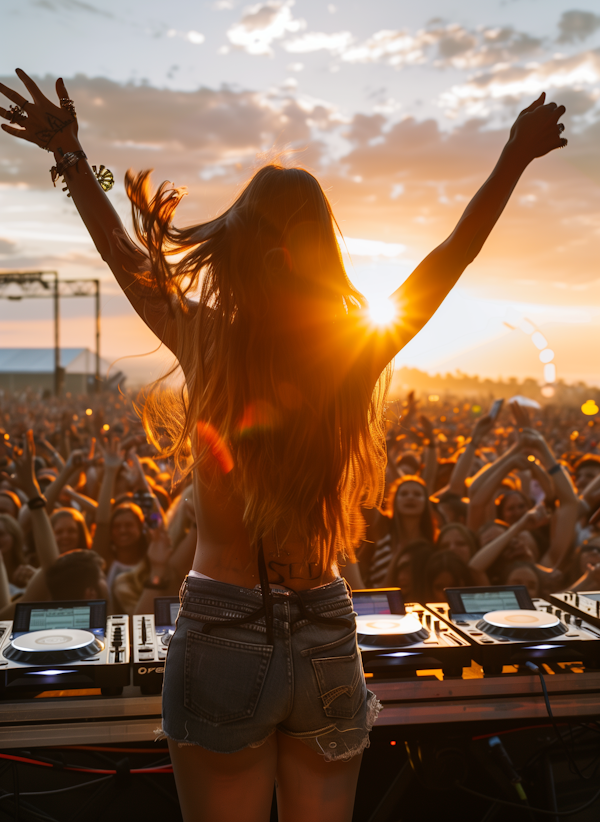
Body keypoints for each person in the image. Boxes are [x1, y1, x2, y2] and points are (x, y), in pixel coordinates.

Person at [0, 69, 567, 822]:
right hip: (327, 628)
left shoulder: (206, 340)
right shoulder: (351, 357)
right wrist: (512, 157)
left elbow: (123, 255)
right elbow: (450, 257)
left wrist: (73, 156)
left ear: (237, 243)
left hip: (221, 630)